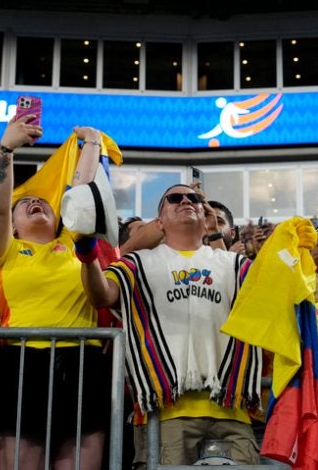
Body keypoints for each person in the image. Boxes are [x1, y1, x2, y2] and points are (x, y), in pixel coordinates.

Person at [82, 184, 262, 467]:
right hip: (164, 413)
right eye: (175, 198)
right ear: (160, 222)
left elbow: (272, 302)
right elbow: (101, 295)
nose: (186, 201)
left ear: (207, 218)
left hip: (231, 410)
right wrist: (87, 255)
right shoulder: (137, 263)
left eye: (195, 199)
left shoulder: (237, 264)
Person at [0, 115, 113, 470]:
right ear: (11, 224)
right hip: (23, 362)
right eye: (25, 203)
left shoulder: (74, 244)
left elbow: (81, 191)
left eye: (44, 202)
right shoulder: (1, 254)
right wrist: (6, 149)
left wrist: (92, 141)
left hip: (83, 362)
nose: (36, 202)